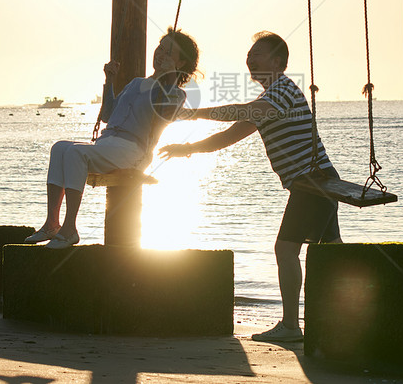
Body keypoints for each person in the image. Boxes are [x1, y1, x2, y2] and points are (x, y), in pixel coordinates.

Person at [159, 31, 340, 343]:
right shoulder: (269, 98)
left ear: (278, 61)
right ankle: (337, 322)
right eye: (249, 54)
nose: (250, 59)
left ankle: (291, 326)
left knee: (286, 250)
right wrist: (184, 148)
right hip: (319, 180)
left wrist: (191, 114)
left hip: (314, 182)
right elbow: (227, 137)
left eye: (258, 54)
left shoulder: (282, 90)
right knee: (334, 254)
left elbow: (242, 112)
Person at [26, 28, 200, 249]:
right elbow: (108, 114)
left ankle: (69, 229)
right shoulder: (136, 83)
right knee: (59, 148)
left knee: (75, 152)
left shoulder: (176, 94)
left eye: (168, 52)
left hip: (134, 151)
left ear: (181, 62)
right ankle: (52, 224)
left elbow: (164, 113)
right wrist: (110, 81)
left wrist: (169, 78)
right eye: (160, 47)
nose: (160, 53)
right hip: (108, 141)